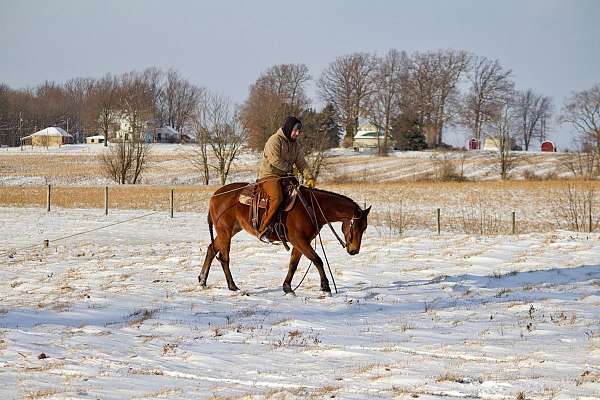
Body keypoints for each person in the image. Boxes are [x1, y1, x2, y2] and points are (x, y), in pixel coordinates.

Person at [257, 116, 315, 238]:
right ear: (289, 129)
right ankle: (264, 227)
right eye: (295, 130)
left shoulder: (295, 145)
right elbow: (274, 160)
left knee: (299, 196)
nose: (297, 133)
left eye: (299, 131)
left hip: (285, 177)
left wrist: (309, 177)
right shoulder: (274, 140)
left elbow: (301, 163)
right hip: (269, 176)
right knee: (277, 197)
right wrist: (290, 168)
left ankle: (287, 227)